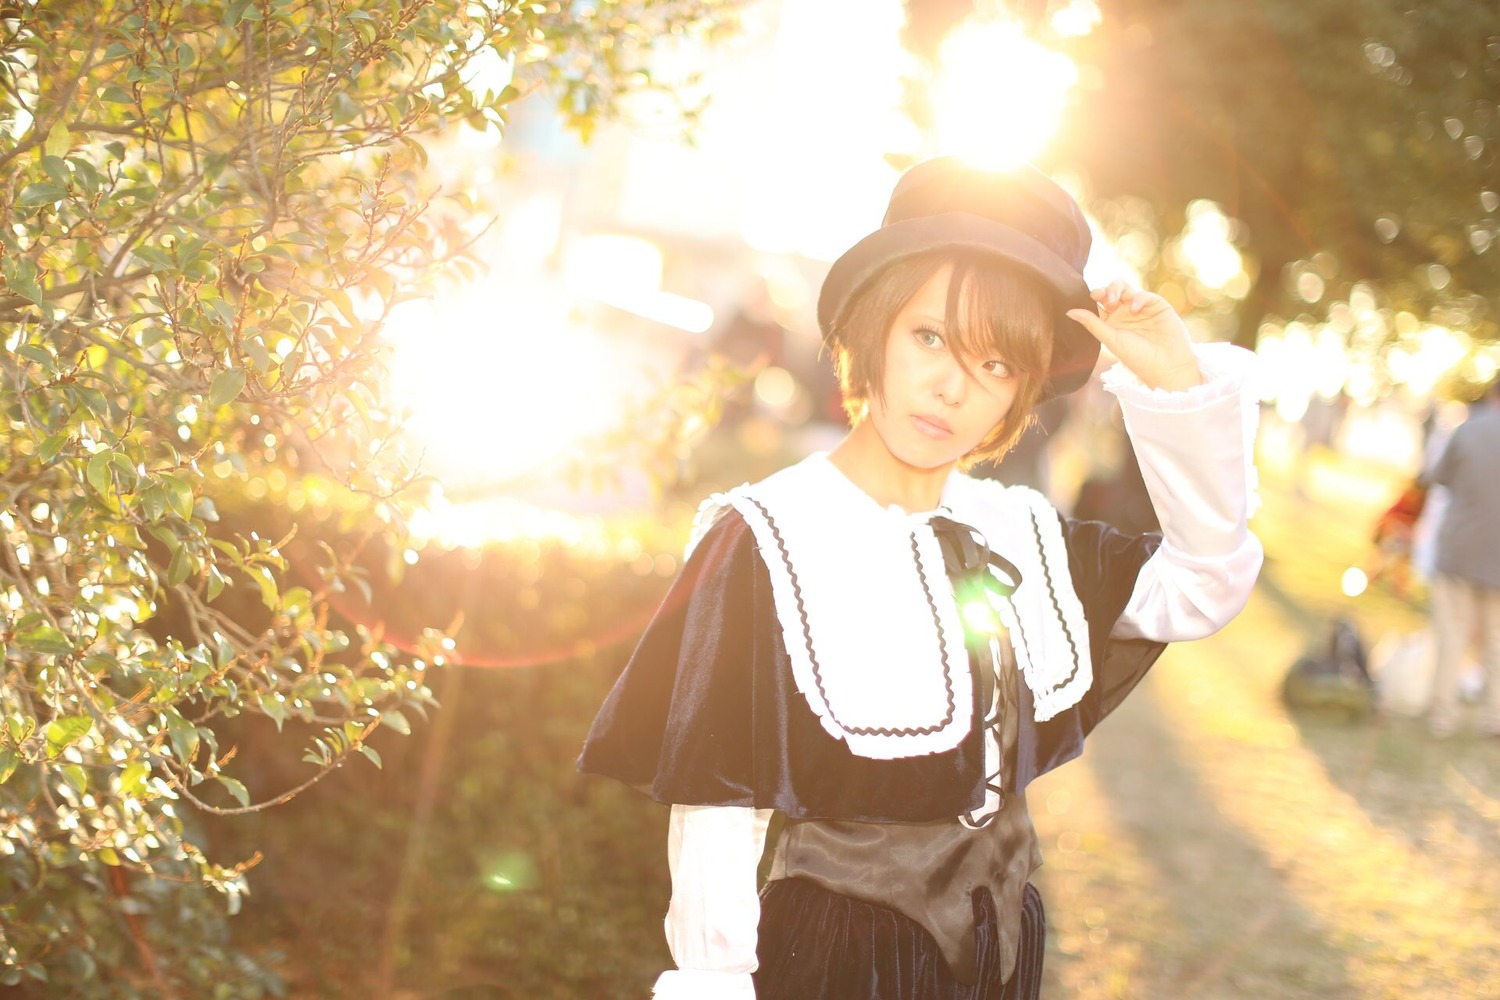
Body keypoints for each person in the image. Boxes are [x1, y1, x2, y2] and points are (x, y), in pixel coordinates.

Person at [577, 157, 1263, 999]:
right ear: (874, 329)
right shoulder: (767, 536)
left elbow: (1203, 579)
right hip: (840, 962)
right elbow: (721, 806)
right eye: (930, 336)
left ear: (1022, 392)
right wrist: (715, 984)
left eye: (999, 365)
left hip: (1001, 955)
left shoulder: (1023, 532)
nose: (951, 388)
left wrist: (1174, 385)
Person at [1421, 377, 1500, 739]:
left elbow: (1437, 478)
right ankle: (1494, 718)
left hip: (1460, 550)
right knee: (1495, 643)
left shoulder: (1468, 429)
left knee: (1452, 635)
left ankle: (1442, 715)